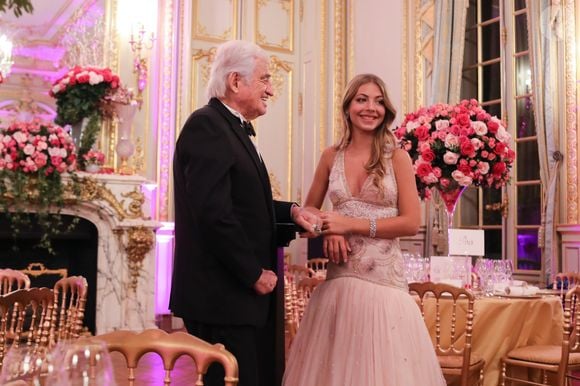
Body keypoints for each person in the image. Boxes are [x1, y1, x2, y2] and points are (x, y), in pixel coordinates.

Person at [170, 40, 319, 386]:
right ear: (236, 82)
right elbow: (213, 214)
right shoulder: (206, 126)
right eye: (265, 79)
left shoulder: (229, 126)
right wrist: (252, 272)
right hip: (222, 296)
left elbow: (244, 204)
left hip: (235, 296)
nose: (271, 89)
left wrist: (292, 212)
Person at [282, 74, 446, 386]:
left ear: (386, 110)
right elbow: (307, 213)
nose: (370, 107)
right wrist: (330, 229)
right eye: (362, 99)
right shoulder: (331, 156)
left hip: (385, 289)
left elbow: (411, 222)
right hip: (339, 289)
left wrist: (349, 224)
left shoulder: (397, 157)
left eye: (378, 101)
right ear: (347, 107)